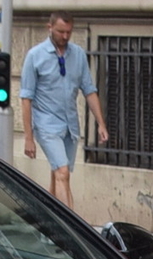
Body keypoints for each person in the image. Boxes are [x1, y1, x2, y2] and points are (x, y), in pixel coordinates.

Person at [18, 13, 110, 210]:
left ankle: (50, 224)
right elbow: (26, 99)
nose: (65, 36)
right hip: (46, 124)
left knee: (57, 175)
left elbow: (89, 90)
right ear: (49, 27)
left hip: (70, 126)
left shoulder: (78, 55)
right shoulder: (35, 56)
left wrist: (100, 123)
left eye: (69, 32)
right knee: (63, 173)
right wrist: (28, 137)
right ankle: (73, 231)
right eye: (61, 31)